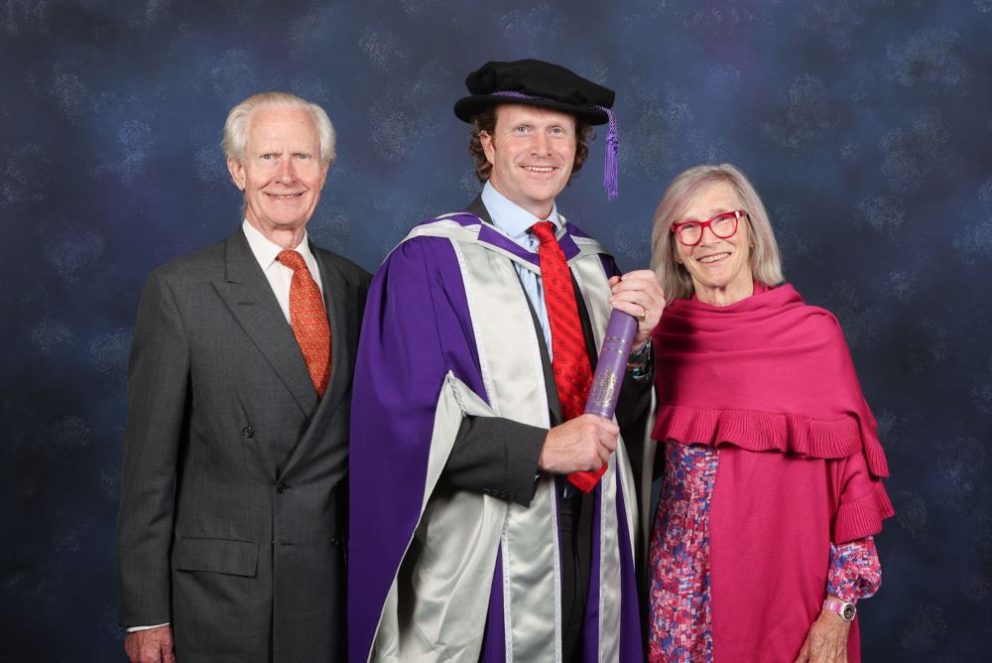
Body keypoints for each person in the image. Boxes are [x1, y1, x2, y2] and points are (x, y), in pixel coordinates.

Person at [348, 59, 665, 662]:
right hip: (486, 551)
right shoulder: (428, 264)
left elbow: (619, 425)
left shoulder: (597, 267)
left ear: (577, 151)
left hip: (594, 537)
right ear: (487, 143)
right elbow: (400, 429)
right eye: (522, 130)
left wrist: (642, 349)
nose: (542, 148)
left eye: (558, 133)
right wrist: (543, 450)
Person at [116, 92, 371, 663]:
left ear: (325, 171)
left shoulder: (362, 287)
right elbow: (148, 471)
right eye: (267, 157)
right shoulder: (180, 290)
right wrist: (145, 612)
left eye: (303, 157)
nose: (286, 176)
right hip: (222, 599)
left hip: (335, 590)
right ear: (236, 170)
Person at [645, 163, 894, 663]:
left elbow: (853, 487)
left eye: (723, 220)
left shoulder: (812, 335)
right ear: (674, 247)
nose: (707, 239)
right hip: (678, 599)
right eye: (687, 227)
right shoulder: (658, 335)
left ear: (752, 232)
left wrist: (837, 612)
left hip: (784, 592)